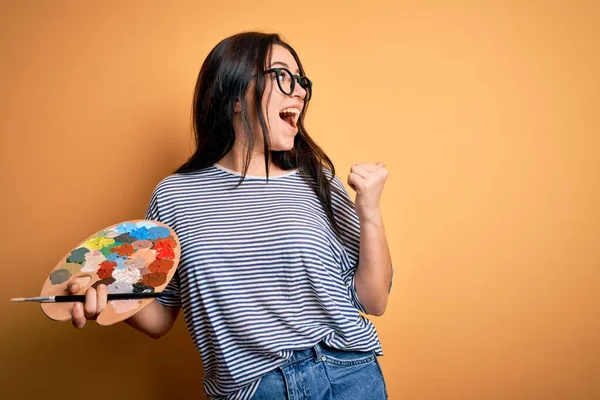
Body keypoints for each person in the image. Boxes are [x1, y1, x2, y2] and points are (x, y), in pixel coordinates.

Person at [68, 31, 393, 400]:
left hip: (347, 375)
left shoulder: (317, 179)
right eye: (283, 76)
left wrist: (370, 213)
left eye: (301, 81)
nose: (300, 91)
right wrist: (108, 295)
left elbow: (373, 301)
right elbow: (159, 320)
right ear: (236, 96)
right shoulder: (175, 197)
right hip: (253, 390)